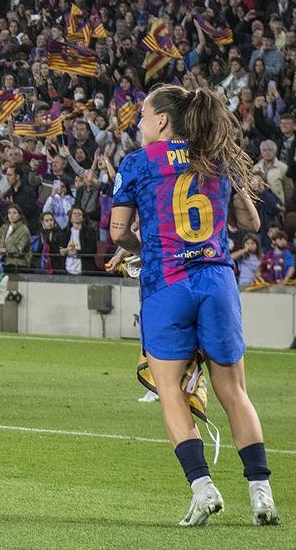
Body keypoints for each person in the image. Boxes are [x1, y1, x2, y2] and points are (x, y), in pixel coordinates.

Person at [109, 84, 279, 527]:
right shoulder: (216, 158)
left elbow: (118, 232)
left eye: (143, 116)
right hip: (217, 280)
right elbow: (252, 222)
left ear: (162, 120)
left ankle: (203, 489)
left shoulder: (137, 163)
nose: (139, 123)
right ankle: (262, 496)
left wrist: (141, 248)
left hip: (167, 282)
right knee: (235, 392)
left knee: (169, 388)